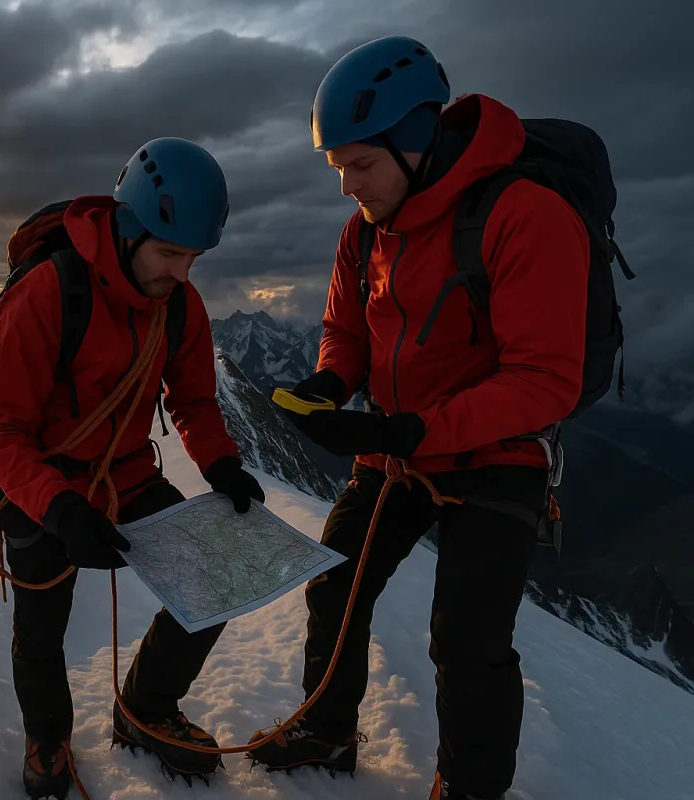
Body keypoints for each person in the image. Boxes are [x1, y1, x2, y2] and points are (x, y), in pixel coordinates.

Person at [246, 36, 590, 800]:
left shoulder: (523, 214)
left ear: (415, 143)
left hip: (497, 453)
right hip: (399, 448)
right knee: (335, 583)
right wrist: (333, 386)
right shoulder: (367, 228)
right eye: (338, 169)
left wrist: (412, 430)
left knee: (466, 639)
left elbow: (546, 380)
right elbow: (348, 330)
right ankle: (327, 731)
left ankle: (469, 787)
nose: (347, 187)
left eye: (360, 165)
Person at [0, 136, 265, 799]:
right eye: (170, 253)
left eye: (193, 257)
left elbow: (191, 398)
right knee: (41, 629)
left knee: (213, 576)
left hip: (125, 475)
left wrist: (221, 464)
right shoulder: (48, 293)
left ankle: (145, 708)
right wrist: (60, 507)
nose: (183, 273)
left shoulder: (178, 305)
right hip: (41, 483)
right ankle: (49, 737)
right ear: (130, 229)